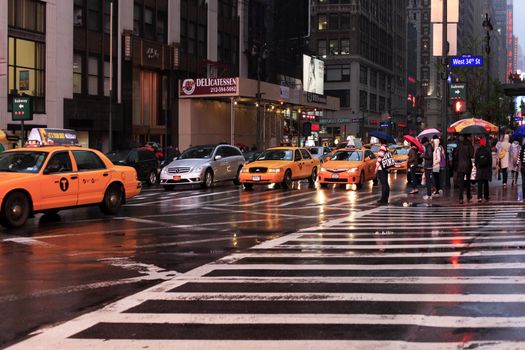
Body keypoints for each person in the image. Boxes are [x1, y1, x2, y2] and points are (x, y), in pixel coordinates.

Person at [456, 135, 474, 204]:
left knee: (461, 182)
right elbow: (471, 155)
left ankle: (461, 198)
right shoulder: (469, 145)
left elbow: (456, 155)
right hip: (468, 165)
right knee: (468, 181)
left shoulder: (459, 145)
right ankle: (468, 195)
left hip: (460, 165)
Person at [475, 137, 492, 202]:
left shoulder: (478, 150)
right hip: (486, 168)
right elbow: (490, 160)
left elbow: (476, 160)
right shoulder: (487, 150)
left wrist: (477, 166)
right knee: (486, 182)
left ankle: (479, 197)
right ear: (484, 142)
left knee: (479, 183)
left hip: (480, 169)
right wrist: (489, 167)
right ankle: (486, 196)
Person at [375, 138, 390, 205]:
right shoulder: (387, 147)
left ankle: (383, 199)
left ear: (381, 141)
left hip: (382, 168)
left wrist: (376, 167)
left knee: (384, 184)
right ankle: (385, 198)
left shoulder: (382, 148)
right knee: (385, 184)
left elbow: (379, 158)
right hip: (386, 168)